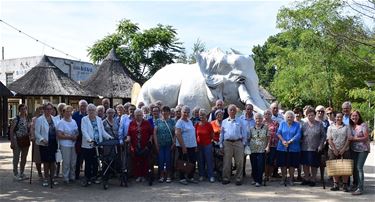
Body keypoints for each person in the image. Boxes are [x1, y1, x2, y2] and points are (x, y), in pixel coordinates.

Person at [81, 104, 113, 185]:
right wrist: (90, 140)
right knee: (88, 162)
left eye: (93, 110)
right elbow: (84, 131)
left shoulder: (99, 119)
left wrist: (109, 137)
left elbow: (102, 131)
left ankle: (94, 177)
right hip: (88, 145)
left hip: (98, 144)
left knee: (96, 161)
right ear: (87, 111)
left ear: (95, 111)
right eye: (90, 110)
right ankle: (87, 178)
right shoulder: (84, 119)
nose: (91, 111)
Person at [220, 104, 247, 185]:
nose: (232, 111)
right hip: (227, 143)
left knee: (239, 162)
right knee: (227, 162)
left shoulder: (240, 121)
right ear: (228, 111)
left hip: (238, 143)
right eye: (230, 110)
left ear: (236, 111)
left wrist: (243, 143)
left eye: (233, 110)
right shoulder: (224, 122)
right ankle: (226, 178)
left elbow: (244, 133)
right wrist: (221, 145)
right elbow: (221, 134)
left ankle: (239, 179)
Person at [35, 103, 59, 187]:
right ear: (44, 110)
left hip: (53, 143)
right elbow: (37, 133)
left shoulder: (55, 119)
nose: (49, 111)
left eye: (50, 109)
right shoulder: (39, 119)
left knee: (53, 162)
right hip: (44, 144)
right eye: (47, 109)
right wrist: (42, 139)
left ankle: (52, 178)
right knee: (46, 162)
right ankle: (45, 178)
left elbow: (58, 130)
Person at [301, 108, 326, 187]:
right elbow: (300, 135)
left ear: (315, 115)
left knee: (314, 164)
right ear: (307, 116)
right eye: (309, 115)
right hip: (305, 147)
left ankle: (313, 179)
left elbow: (323, 136)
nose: (310, 117)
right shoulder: (304, 125)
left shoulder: (319, 124)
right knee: (305, 164)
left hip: (315, 147)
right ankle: (306, 178)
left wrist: (321, 145)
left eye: (312, 115)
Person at [327, 113, 351, 192]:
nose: (339, 118)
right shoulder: (330, 127)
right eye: (337, 117)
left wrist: (343, 149)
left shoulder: (347, 127)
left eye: (340, 117)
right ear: (335, 118)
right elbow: (329, 139)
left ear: (342, 118)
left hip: (345, 149)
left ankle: (345, 184)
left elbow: (348, 138)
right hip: (333, 149)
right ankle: (336, 184)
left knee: (346, 167)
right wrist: (334, 149)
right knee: (334, 167)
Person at [276, 110, 302, 186]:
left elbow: (298, 135)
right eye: (288, 117)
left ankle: (291, 179)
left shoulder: (297, 124)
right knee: (283, 164)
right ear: (285, 117)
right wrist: (283, 141)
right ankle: (283, 178)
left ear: (293, 117)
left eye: (291, 117)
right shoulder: (282, 123)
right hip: (282, 147)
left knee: (292, 164)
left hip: (293, 147)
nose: (289, 118)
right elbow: (278, 133)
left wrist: (290, 141)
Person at [127, 109, 153, 182]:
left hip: (145, 145)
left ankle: (143, 175)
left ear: (142, 115)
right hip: (135, 145)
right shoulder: (131, 123)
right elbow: (129, 134)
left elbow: (151, 133)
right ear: (134, 116)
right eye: (137, 115)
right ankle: (138, 175)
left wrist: (150, 140)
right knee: (136, 160)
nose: (139, 117)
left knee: (144, 160)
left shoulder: (146, 123)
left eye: (140, 115)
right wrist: (127, 140)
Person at [175, 105, 198, 185]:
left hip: (192, 146)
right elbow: (178, 134)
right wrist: (183, 146)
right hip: (183, 146)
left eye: (188, 112)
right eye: (184, 112)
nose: (186, 114)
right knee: (183, 162)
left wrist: (195, 145)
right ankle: (182, 178)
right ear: (181, 112)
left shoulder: (190, 121)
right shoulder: (179, 122)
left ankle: (190, 176)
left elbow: (192, 133)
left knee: (192, 161)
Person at [153, 106, 176, 183]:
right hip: (160, 144)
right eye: (163, 111)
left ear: (169, 113)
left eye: (166, 111)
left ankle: (169, 175)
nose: (165, 112)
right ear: (161, 112)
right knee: (161, 160)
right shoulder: (157, 121)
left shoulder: (172, 121)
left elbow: (175, 133)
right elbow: (155, 133)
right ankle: (161, 175)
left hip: (169, 144)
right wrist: (156, 144)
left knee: (168, 160)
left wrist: (174, 142)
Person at [349, 110, 370, 195]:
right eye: (353, 116)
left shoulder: (363, 125)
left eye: (356, 115)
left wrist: (353, 139)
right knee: (354, 168)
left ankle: (360, 188)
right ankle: (356, 185)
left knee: (359, 168)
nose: (354, 117)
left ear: (359, 116)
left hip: (363, 149)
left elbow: (366, 137)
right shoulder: (351, 126)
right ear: (350, 117)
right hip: (353, 149)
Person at [56, 105, 78, 184]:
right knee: (66, 162)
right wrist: (69, 137)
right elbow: (59, 135)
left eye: (70, 111)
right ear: (63, 112)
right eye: (67, 111)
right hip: (65, 144)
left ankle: (72, 176)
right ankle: (65, 177)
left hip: (73, 144)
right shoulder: (61, 122)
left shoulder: (73, 121)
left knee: (73, 162)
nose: (68, 113)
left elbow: (76, 131)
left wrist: (75, 136)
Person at [10, 104, 31, 181]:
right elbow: (11, 130)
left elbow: (29, 129)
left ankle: (22, 172)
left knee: (24, 157)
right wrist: (12, 141)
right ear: (19, 110)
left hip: (25, 139)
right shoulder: (16, 119)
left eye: (25, 109)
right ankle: (15, 173)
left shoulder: (28, 119)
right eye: (22, 109)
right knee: (16, 157)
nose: (23, 110)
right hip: (17, 139)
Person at [249, 113, 269, 187]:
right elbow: (249, 138)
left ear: (262, 119)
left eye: (260, 118)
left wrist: (268, 146)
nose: (258, 120)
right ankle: (254, 179)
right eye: (257, 118)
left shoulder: (266, 127)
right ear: (254, 119)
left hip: (262, 149)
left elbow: (268, 138)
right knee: (254, 164)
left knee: (260, 165)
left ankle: (259, 180)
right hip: (253, 149)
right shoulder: (251, 128)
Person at [195, 109, 215, 183]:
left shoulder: (209, 125)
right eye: (200, 115)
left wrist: (211, 143)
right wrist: (196, 145)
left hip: (207, 145)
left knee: (209, 161)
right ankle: (201, 175)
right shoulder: (197, 124)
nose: (202, 116)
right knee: (200, 161)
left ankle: (211, 176)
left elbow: (212, 135)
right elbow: (195, 135)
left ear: (206, 115)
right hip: (199, 145)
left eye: (203, 115)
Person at [72, 99, 88, 180]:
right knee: (78, 158)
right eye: (81, 105)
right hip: (78, 139)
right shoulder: (74, 115)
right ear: (79, 106)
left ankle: (87, 175)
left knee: (87, 157)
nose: (83, 107)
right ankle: (77, 175)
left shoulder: (89, 115)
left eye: (84, 105)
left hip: (87, 139)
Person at [263, 109, 279, 182]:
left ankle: (269, 175)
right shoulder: (261, 123)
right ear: (264, 115)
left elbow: (278, 133)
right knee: (265, 161)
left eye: (269, 114)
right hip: (263, 145)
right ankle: (265, 175)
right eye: (266, 114)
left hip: (274, 144)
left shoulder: (275, 123)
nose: (267, 115)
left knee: (272, 161)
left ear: (271, 115)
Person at [240, 104, 255, 177]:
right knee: (242, 158)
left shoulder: (255, 119)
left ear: (252, 110)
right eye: (247, 109)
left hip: (252, 142)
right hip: (243, 141)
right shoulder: (241, 118)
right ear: (245, 110)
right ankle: (242, 173)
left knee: (253, 158)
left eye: (250, 109)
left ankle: (253, 173)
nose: (249, 110)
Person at [30, 106, 44, 179]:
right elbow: (32, 129)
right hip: (37, 141)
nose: (41, 112)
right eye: (39, 110)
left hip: (45, 141)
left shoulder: (46, 119)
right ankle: (39, 172)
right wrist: (32, 137)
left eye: (42, 110)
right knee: (37, 157)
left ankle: (47, 173)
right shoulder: (34, 119)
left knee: (46, 157)